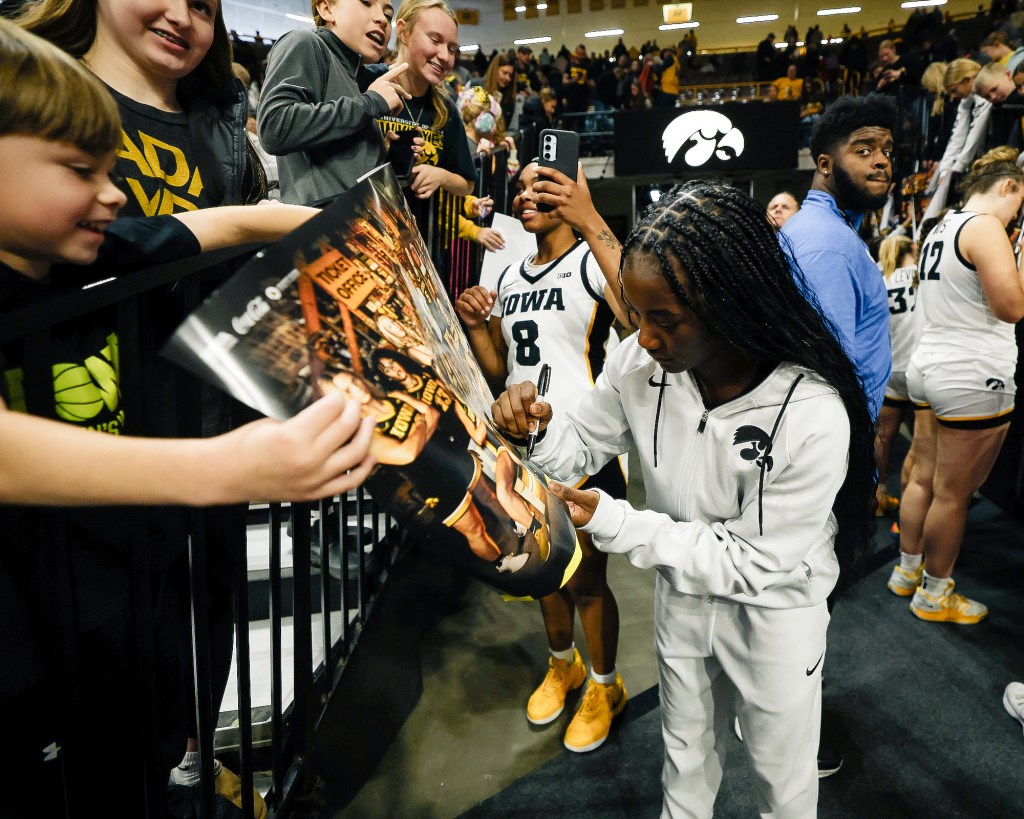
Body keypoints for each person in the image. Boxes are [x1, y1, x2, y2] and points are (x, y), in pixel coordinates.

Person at [0, 21, 376, 818]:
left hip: (120, 598)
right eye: (77, 169)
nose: (110, 193)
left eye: (110, 170)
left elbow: (220, 225)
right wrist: (225, 468)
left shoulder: (97, 246)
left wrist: (350, 232)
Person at [491, 179, 875, 817]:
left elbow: (751, 562)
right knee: (685, 760)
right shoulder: (639, 365)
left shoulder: (811, 410)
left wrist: (617, 521)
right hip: (683, 599)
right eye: (636, 315)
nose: (641, 337)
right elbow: (577, 444)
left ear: (733, 307)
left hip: (777, 611)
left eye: (663, 320)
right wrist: (529, 429)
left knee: (784, 784)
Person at [455, 160, 630, 753]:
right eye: (521, 186)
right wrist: (476, 325)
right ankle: (565, 665)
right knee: (540, 576)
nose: (525, 195)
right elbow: (503, 369)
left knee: (586, 582)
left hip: (585, 446)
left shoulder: (588, 261)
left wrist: (592, 217)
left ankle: (606, 684)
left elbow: (638, 317)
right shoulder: (508, 275)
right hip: (527, 450)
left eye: (540, 185)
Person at [893, 147, 1024, 622]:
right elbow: (1013, 307)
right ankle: (934, 593)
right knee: (952, 494)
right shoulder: (985, 226)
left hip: (929, 365)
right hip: (972, 372)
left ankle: (906, 570)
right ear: (1007, 187)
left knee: (924, 476)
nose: (1016, 215)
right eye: (1018, 202)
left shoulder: (940, 225)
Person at [18, 0, 268, 214]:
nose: (181, 18)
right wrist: (232, 228)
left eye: (200, 6)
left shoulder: (223, 129)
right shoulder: (21, 97)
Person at [781, 95, 897, 421]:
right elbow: (822, 374)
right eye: (864, 150)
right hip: (837, 438)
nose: (882, 161)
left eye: (886, 151)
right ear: (825, 165)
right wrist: (850, 449)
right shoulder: (825, 244)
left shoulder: (836, 231)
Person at [257, 0, 412, 205]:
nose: (382, 19)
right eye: (366, 3)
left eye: (388, 15)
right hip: (319, 228)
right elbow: (274, 127)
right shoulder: (305, 42)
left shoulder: (355, 80)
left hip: (355, 229)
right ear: (327, 9)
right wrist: (370, 103)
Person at [366, 0, 475, 201]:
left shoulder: (445, 108)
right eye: (435, 40)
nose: (444, 56)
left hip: (416, 228)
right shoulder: (364, 82)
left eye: (452, 49)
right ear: (403, 32)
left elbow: (467, 183)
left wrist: (441, 176)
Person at [874, 234, 920, 520]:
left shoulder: (879, 278)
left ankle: (878, 494)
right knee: (923, 443)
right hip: (921, 367)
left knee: (883, 437)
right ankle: (915, 508)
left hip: (892, 368)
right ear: (912, 249)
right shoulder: (920, 274)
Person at [922, 59, 992, 222]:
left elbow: (977, 132)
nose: (953, 96)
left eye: (954, 90)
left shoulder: (983, 97)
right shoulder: (966, 101)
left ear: (968, 80)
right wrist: (945, 170)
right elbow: (957, 137)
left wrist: (957, 167)